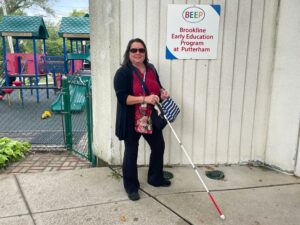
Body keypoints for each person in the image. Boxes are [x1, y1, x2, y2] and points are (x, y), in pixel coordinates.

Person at [114, 38, 171, 201]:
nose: (138, 53)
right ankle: (131, 187)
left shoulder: (151, 68)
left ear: (145, 53)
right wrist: (145, 99)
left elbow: (157, 88)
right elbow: (123, 98)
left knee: (158, 146)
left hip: (151, 117)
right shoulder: (123, 72)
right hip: (132, 119)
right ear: (128, 52)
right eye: (134, 50)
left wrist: (162, 94)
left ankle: (155, 178)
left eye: (141, 50)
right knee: (131, 151)